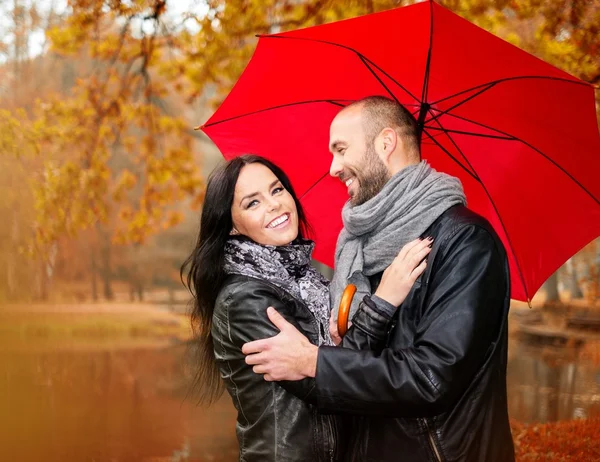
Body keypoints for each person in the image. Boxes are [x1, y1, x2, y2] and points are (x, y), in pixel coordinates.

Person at [242, 96, 516, 461]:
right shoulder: (359, 245)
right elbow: (358, 363)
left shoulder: (466, 241)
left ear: (386, 143)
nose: (333, 167)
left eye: (341, 149)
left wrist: (314, 362)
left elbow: (432, 377)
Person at [181, 154, 432, 462]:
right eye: (252, 203)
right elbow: (326, 380)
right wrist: (383, 302)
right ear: (231, 227)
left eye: (276, 190)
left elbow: (332, 362)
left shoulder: (301, 278)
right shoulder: (245, 299)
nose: (274, 204)